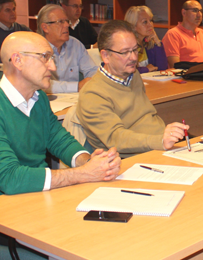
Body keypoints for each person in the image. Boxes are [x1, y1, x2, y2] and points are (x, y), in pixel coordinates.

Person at [0, 31, 121, 205]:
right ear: (18, 61)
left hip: (39, 197)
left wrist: (89, 162)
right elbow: (9, 179)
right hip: (3, 208)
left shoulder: (38, 98)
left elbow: (59, 140)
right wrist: (83, 173)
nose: (53, 67)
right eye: (45, 57)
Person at [76, 20, 189, 158]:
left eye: (135, 49)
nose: (134, 57)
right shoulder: (93, 94)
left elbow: (145, 118)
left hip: (158, 147)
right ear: (105, 56)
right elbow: (116, 138)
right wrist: (159, 141)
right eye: (125, 52)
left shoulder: (133, 75)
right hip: (131, 159)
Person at [36, 4, 98, 92]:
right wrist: (76, 86)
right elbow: (41, 84)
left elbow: (92, 70)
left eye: (66, 21)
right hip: (49, 100)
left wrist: (91, 81)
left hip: (74, 100)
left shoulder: (75, 44)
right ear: (45, 27)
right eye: (60, 22)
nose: (66, 25)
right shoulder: (36, 49)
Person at [162, 0, 203, 68]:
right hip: (188, 75)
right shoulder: (173, 34)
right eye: (195, 10)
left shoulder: (202, 32)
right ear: (184, 12)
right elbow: (175, 66)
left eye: (201, 11)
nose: (199, 15)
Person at [123, 5, 168, 72]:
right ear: (133, 26)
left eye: (151, 20)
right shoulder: (126, 46)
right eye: (145, 22)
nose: (150, 25)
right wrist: (146, 69)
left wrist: (158, 43)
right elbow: (125, 70)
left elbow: (162, 68)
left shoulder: (149, 44)